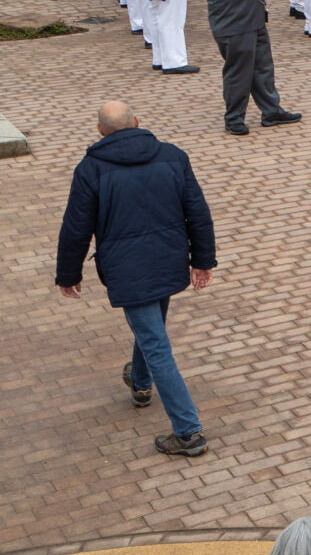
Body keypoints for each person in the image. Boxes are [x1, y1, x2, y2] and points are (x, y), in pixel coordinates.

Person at [54, 99, 218, 457]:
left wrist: (68, 274)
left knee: (156, 345)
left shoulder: (90, 169)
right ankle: (141, 384)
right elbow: (198, 212)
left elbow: (76, 228)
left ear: (100, 131)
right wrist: (202, 260)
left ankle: (188, 432)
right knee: (151, 330)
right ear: (137, 121)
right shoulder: (173, 156)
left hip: (127, 269)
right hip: (169, 259)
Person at [189, 0, 300, 136]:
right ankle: (234, 118)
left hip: (251, 17)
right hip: (234, 22)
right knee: (239, 73)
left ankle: (271, 111)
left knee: (263, 68)